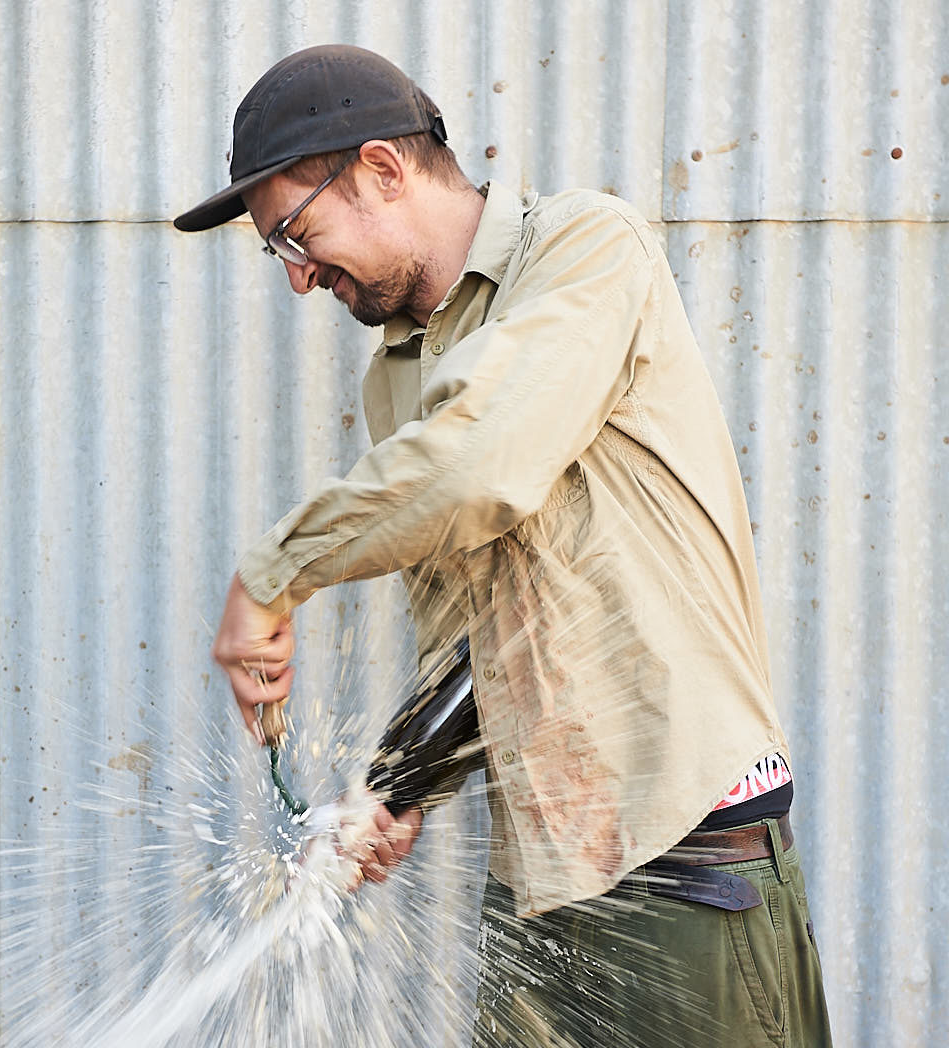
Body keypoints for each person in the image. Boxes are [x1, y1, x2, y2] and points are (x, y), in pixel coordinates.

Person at [175, 44, 832, 1047]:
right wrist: (398, 787)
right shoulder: (398, 375)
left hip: (688, 871)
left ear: (383, 169)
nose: (300, 279)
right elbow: (487, 646)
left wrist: (275, 572)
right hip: (543, 883)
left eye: (296, 233)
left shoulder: (587, 246)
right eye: (280, 254)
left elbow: (483, 461)